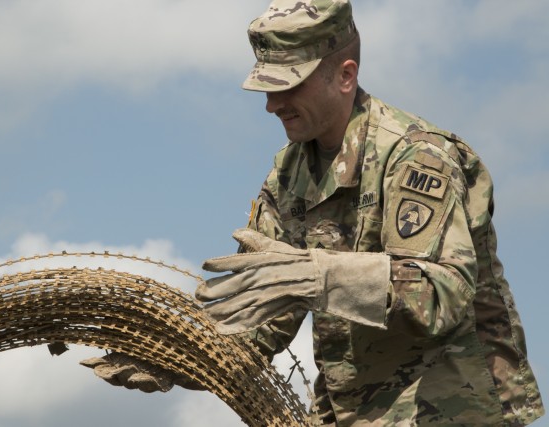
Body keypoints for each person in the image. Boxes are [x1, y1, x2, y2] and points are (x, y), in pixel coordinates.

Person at [195, 0, 545, 426]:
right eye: (268, 87)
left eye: (290, 86)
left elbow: (441, 295)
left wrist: (319, 275)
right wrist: (178, 352)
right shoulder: (288, 175)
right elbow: (265, 311)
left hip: (448, 410)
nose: (273, 104)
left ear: (345, 76)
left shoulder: (415, 155)